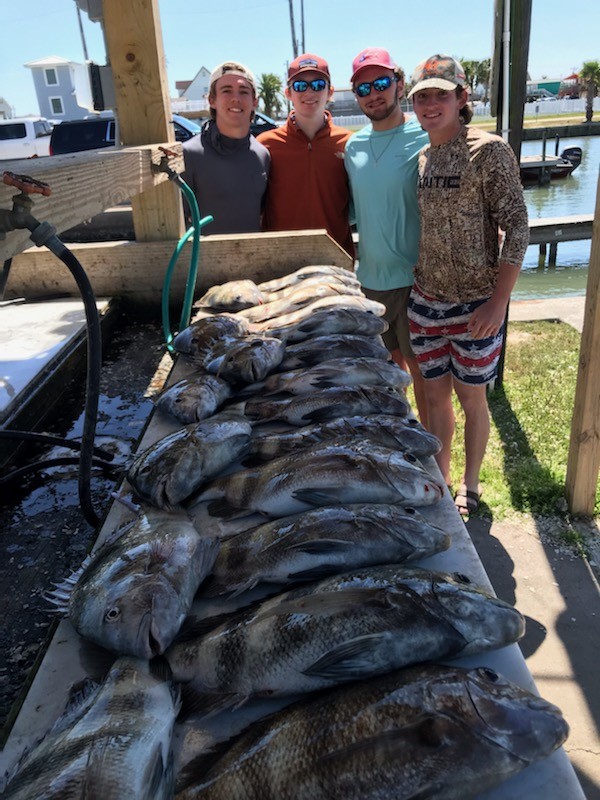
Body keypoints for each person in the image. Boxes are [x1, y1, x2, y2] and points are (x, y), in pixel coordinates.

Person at [406, 54, 529, 517]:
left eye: (442, 93)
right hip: (426, 302)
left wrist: (500, 301)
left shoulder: (489, 150)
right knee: (434, 396)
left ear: (463, 98)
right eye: (423, 96)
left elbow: (518, 225)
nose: (431, 103)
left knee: (472, 397)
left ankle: (470, 486)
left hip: (476, 305)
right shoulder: (423, 157)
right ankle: (440, 476)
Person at [345, 48, 429, 424]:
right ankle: (403, 452)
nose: (374, 93)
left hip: (417, 282)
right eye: (364, 88)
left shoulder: (426, 135)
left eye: (381, 83)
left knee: (426, 382)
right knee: (389, 379)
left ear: (399, 84)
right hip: (371, 284)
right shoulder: (353, 147)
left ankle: (437, 471)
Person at [257, 53, 354, 257]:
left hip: (335, 259)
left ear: (330, 92)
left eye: (318, 84)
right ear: (288, 93)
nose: (309, 92)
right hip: (280, 261)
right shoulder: (265, 145)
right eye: (300, 86)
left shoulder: (349, 143)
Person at [182, 61, 270, 234]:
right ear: (212, 100)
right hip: (204, 259)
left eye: (243, 91)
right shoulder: (189, 154)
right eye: (226, 90)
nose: (236, 98)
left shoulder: (263, 155)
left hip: (255, 257)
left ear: (254, 102)